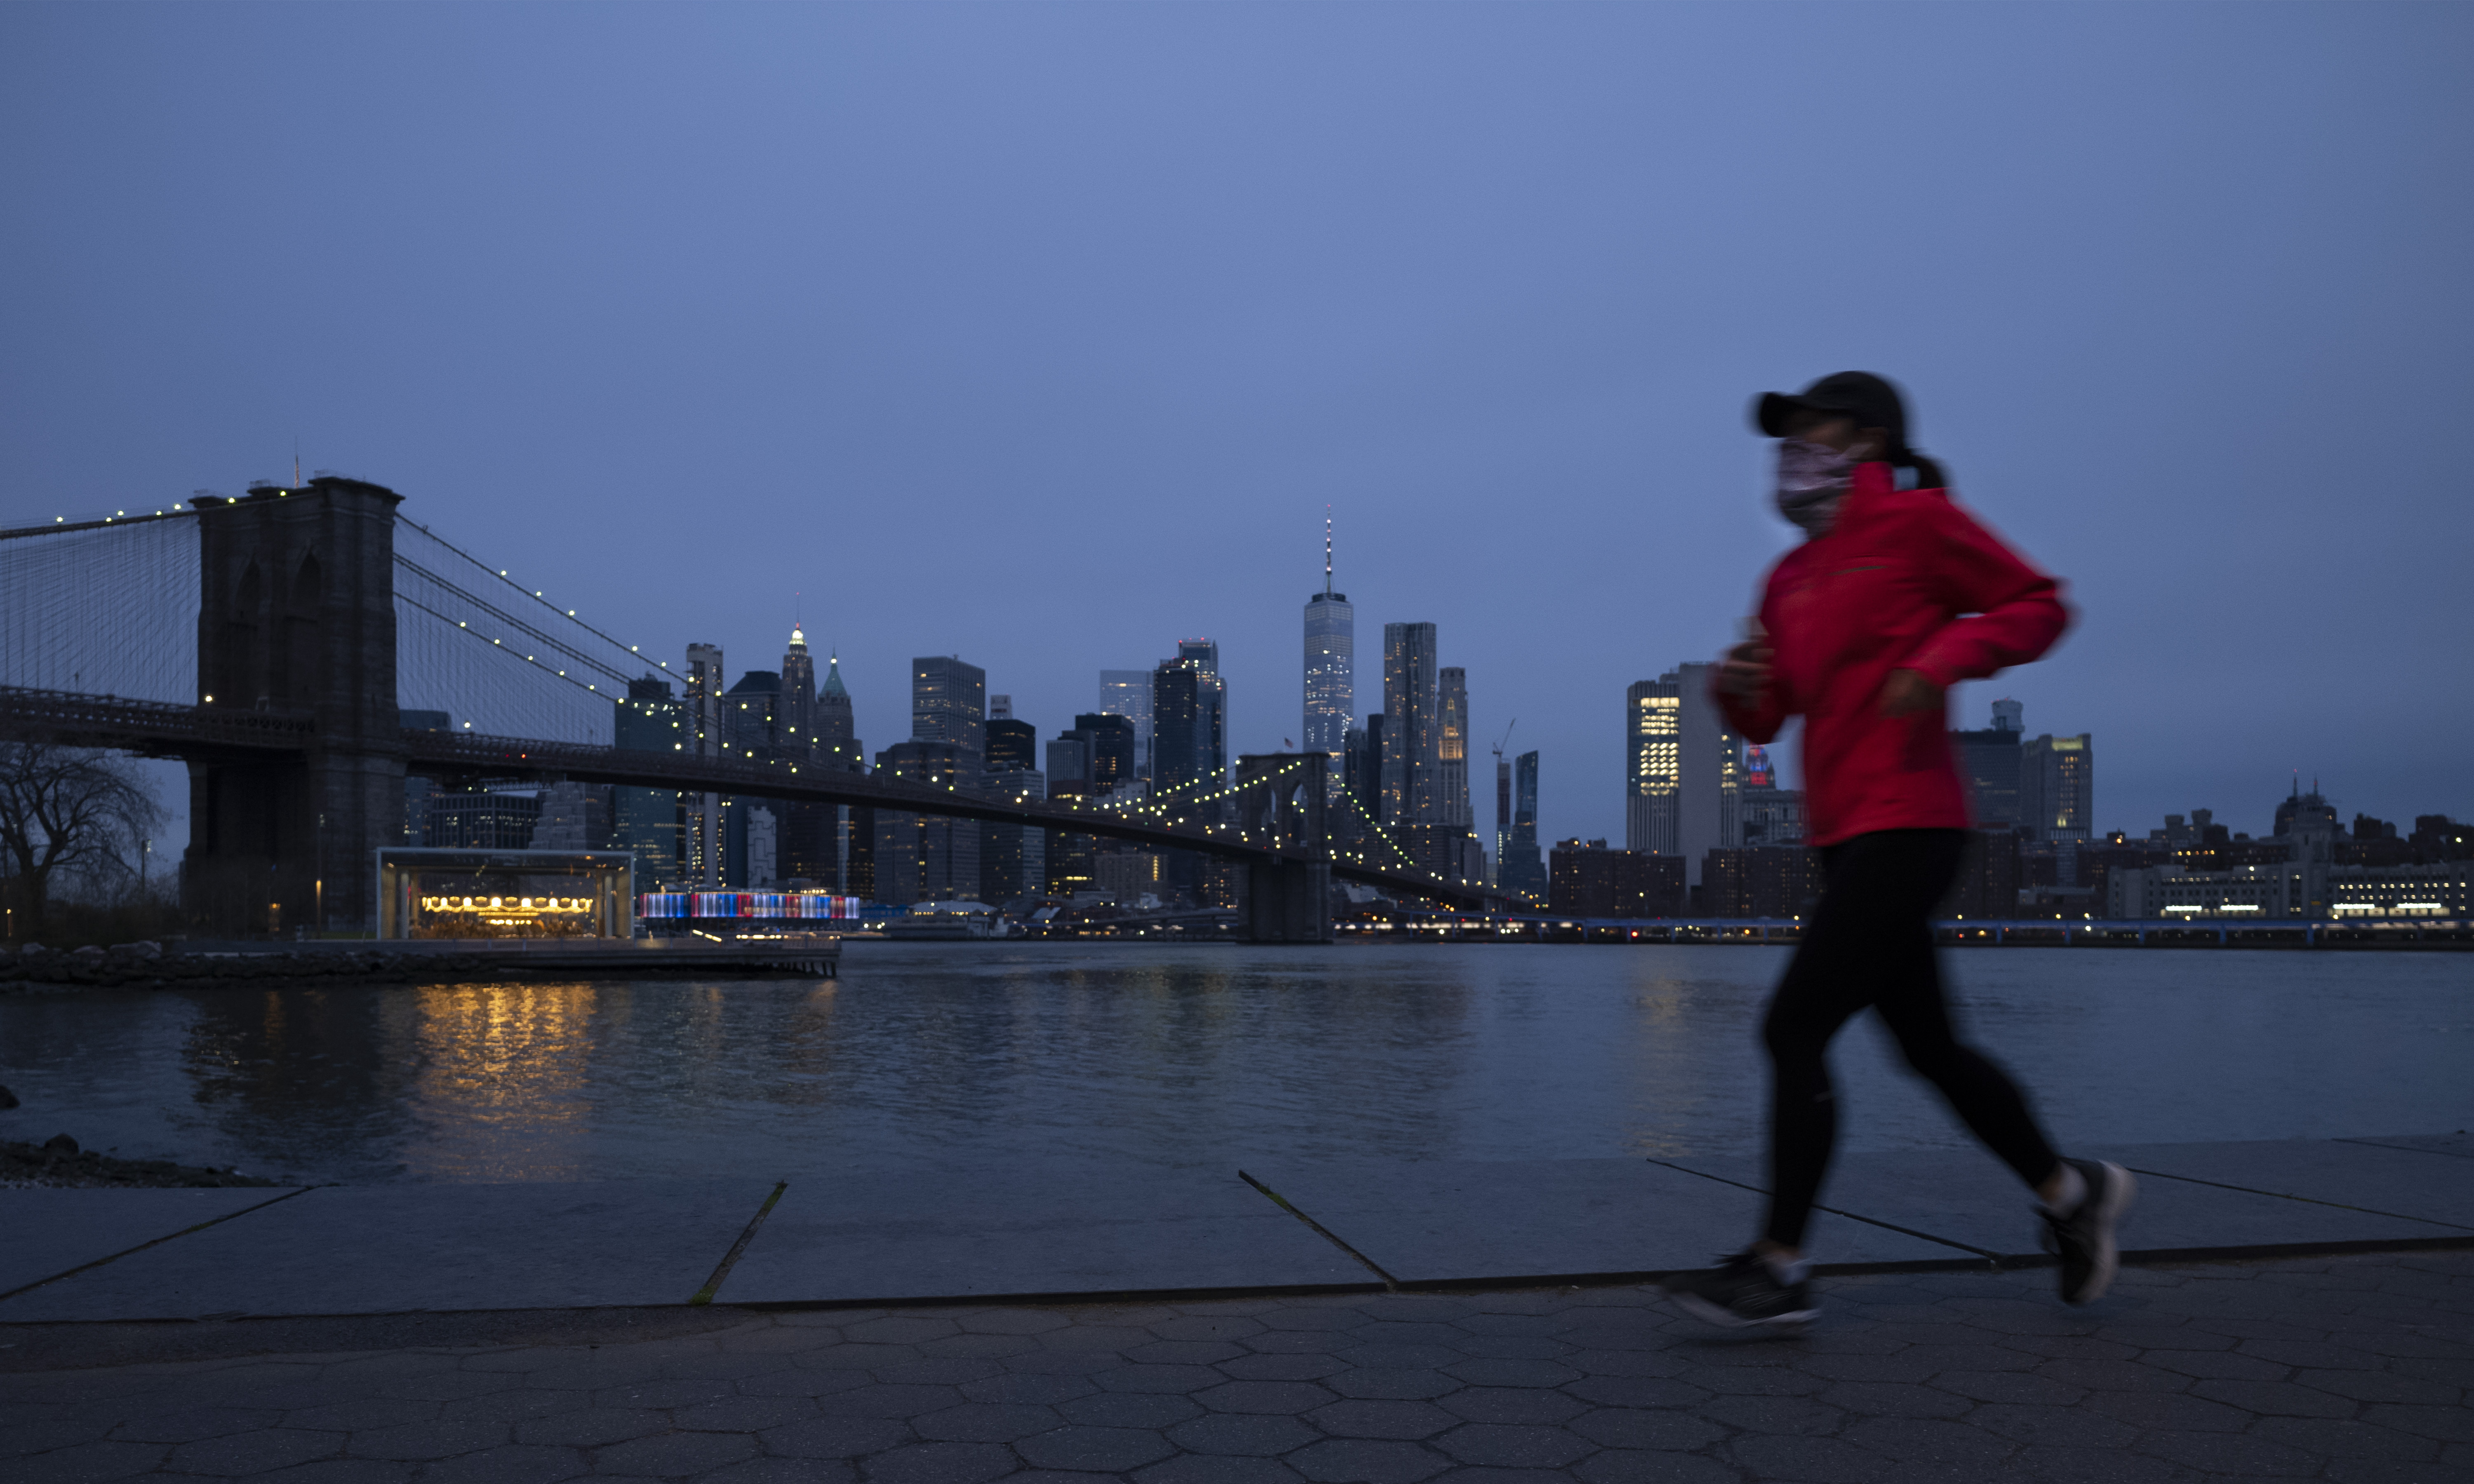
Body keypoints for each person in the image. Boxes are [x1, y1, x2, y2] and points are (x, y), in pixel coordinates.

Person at [1661, 371, 2133, 1330]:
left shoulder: (1921, 525)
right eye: (1782, 436)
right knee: (1932, 1050)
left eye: (1808, 430)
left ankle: (1778, 1268)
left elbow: (2038, 604)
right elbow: (1769, 714)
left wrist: (1940, 659)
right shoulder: (1787, 579)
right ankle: (2072, 1198)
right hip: (1842, 835)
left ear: (1867, 440)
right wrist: (1735, 684)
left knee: (1791, 1030)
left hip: (1913, 826)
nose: (1789, 450)